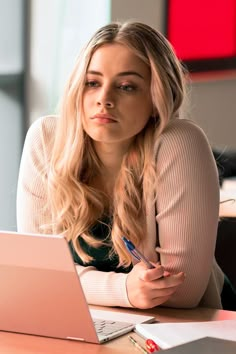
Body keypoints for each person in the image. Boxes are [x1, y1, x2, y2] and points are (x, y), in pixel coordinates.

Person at [17, 21, 232, 310]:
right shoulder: (45, 139)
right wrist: (124, 290)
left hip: (191, 331)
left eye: (127, 87)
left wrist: (73, 285)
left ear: (156, 98)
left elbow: (181, 293)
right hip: (92, 323)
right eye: (92, 83)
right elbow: (37, 277)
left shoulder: (180, 142)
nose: (104, 99)